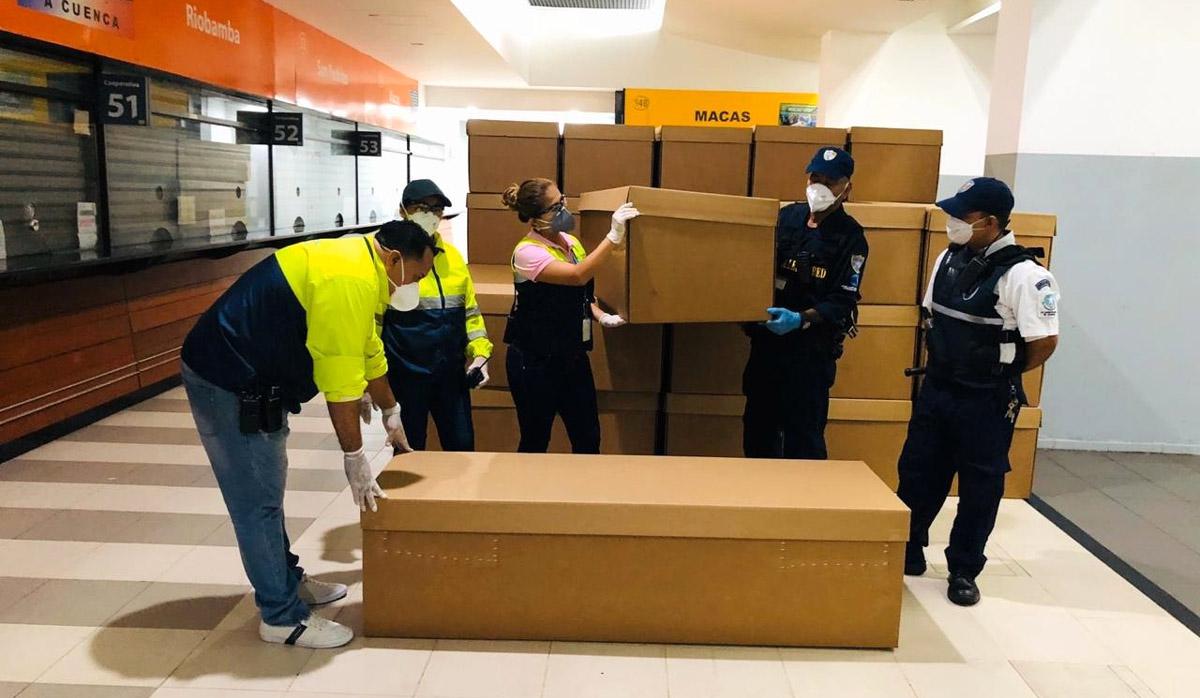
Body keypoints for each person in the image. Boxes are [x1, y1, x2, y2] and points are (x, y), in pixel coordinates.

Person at [179, 220, 436, 648]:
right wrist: (354, 456)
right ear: (394, 258)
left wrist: (391, 407)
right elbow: (339, 378)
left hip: (255, 376)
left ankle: (286, 581)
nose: (417, 285)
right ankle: (281, 617)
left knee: (266, 489)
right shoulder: (349, 276)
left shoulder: (363, 264)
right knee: (256, 501)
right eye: (420, 274)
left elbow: (366, 345)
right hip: (226, 377)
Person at [899, 177, 1060, 606]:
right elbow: (932, 314)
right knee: (918, 471)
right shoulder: (948, 259)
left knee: (978, 487)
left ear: (991, 222)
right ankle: (909, 548)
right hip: (939, 388)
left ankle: (963, 569)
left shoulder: (1027, 277)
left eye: (962, 217)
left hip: (986, 398)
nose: (953, 222)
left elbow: (1043, 342)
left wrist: (996, 371)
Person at [742, 146, 868, 459]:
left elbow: (843, 298)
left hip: (809, 352)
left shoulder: (851, 237)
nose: (820, 186)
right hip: (766, 346)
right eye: (815, 177)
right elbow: (752, 266)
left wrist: (800, 319)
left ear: (846, 188)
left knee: (804, 437)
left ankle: (804, 504)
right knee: (758, 429)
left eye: (830, 181)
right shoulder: (786, 217)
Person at [500, 177, 637, 453]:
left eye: (562, 200)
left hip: (571, 356)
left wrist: (601, 316)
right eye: (555, 206)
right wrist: (612, 238)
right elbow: (577, 276)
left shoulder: (571, 243)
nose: (564, 209)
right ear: (536, 218)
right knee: (536, 438)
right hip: (533, 361)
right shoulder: (527, 253)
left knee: (588, 437)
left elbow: (582, 294)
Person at [365, 179, 492, 452]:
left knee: (462, 449)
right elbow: (372, 324)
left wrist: (480, 356)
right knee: (409, 450)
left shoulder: (453, 258)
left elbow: (469, 312)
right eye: (421, 207)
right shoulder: (388, 260)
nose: (430, 214)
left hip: (451, 375)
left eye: (436, 209)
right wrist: (368, 379)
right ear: (403, 210)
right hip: (406, 375)